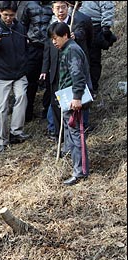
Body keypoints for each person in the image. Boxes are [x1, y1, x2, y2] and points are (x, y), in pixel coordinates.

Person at [0, 1, 31, 153]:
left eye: (11, 15)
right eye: (6, 15)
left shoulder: (20, 27)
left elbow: (25, 47)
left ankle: (16, 131)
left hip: (18, 73)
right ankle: (2, 140)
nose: (9, 18)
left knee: (22, 97)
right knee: (2, 108)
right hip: (1, 74)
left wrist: (24, 65)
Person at [48, 21, 91, 186]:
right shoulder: (66, 49)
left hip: (73, 99)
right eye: (52, 39)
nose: (54, 41)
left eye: (55, 38)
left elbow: (77, 75)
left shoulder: (72, 50)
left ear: (65, 35)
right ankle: (75, 166)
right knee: (70, 133)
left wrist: (77, 97)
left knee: (75, 134)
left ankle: (80, 171)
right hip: (67, 98)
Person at [20, 1, 54, 122]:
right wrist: (24, 41)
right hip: (32, 47)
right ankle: (28, 112)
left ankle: (47, 112)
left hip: (48, 47)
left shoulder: (53, 6)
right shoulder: (29, 5)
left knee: (51, 81)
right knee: (30, 82)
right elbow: (23, 24)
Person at [79, 1, 116, 97]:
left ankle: (93, 88)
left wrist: (106, 26)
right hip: (77, 25)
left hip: (94, 25)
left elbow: (107, 6)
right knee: (78, 57)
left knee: (93, 59)